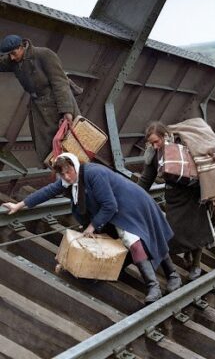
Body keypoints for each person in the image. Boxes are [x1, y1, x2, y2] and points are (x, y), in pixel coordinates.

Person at [2, 153, 180, 304]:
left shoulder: (93, 174)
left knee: (135, 241)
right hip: (119, 207)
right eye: (62, 174)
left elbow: (110, 205)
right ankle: (170, 276)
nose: (67, 177)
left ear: (75, 166)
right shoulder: (68, 180)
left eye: (68, 172)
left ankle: (156, 285)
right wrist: (20, 205)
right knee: (141, 239)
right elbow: (47, 192)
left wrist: (92, 226)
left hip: (132, 205)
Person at [139, 121, 215, 281]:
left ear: (164, 136)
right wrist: (136, 195)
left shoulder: (184, 145)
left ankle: (196, 264)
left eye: (156, 141)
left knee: (196, 229)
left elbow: (201, 166)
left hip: (193, 194)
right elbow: (146, 179)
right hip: (174, 199)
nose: (154, 146)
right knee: (175, 231)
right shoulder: (154, 154)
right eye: (151, 143)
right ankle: (185, 258)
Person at [0, 35, 80, 164]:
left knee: (69, 144)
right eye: (9, 55)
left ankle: (75, 173)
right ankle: (61, 174)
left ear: (22, 47)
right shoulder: (14, 60)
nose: (11, 58)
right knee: (49, 149)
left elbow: (60, 83)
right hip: (39, 108)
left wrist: (67, 112)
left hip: (56, 106)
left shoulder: (44, 54)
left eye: (14, 53)